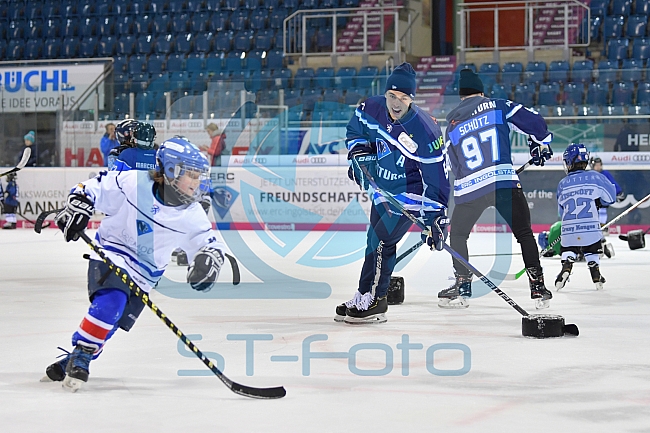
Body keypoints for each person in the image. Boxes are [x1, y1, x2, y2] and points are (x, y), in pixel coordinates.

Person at [41, 136, 230, 392]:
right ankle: (82, 356)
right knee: (111, 302)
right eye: (192, 176)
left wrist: (209, 261)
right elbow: (92, 188)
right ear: (171, 171)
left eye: (199, 176)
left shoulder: (191, 213)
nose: (197, 183)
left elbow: (209, 243)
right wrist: (80, 205)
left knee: (115, 321)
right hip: (113, 251)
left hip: (146, 273)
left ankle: (72, 359)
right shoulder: (131, 182)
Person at [334, 62, 450, 324]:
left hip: (410, 195)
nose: (396, 103)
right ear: (385, 94)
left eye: (404, 98)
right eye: (392, 96)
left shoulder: (425, 129)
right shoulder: (371, 108)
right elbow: (355, 130)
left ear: (412, 99)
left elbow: (438, 178)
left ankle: (377, 300)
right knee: (373, 242)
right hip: (383, 190)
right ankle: (365, 294)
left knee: (382, 240)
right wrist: (360, 157)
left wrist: (436, 217)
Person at [439, 69, 554, 309]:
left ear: (461, 95)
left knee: (458, 235)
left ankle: (463, 285)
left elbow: (451, 164)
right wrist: (540, 144)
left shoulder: (451, 122)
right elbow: (534, 121)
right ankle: (538, 286)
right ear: (482, 91)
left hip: (470, 188)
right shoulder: (497, 106)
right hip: (503, 182)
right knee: (524, 234)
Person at [555, 143, 617, 291]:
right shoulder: (595, 177)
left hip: (568, 229)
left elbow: (560, 211)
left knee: (569, 247)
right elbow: (611, 197)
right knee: (592, 246)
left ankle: (567, 263)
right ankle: (595, 272)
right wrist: (598, 202)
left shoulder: (562, 184)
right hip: (590, 228)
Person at [589, 156, 624, 232]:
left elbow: (612, 183)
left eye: (599, 165)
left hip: (602, 196)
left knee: (602, 210)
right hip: (592, 197)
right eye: (596, 165)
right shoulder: (590, 175)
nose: (598, 167)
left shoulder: (605, 174)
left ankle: (602, 225)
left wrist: (618, 191)